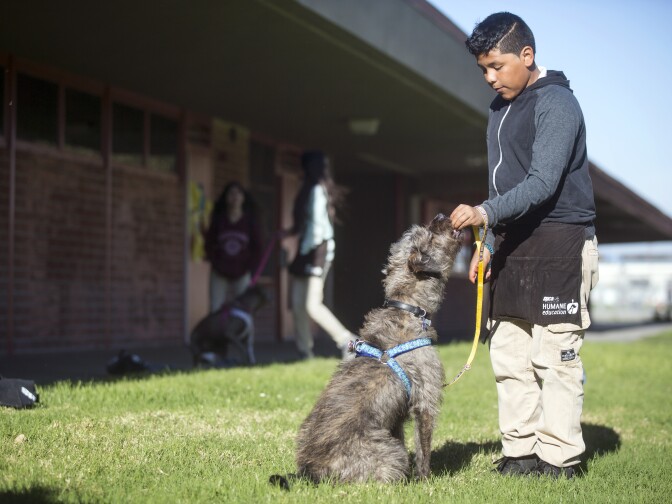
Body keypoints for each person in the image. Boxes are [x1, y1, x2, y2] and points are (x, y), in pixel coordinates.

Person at [450, 12, 599, 479]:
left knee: (554, 358)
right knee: (510, 356)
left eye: (497, 66)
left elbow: (542, 182)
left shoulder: (557, 103)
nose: (490, 78)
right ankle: (520, 454)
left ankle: (560, 459)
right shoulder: (498, 111)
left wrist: (485, 215)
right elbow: (500, 188)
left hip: (561, 241)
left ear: (527, 56)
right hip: (513, 245)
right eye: (483, 70)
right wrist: (488, 244)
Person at [281, 151, 356, 360]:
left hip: (317, 252)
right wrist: (288, 233)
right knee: (297, 304)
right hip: (306, 252)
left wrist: (307, 252)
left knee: (312, 305)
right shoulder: (306, 190)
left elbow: (317, 229)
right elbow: (303, 224)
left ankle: (348, 341)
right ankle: (304, 351)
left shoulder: (316, 190)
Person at [204, 181, 263, 312]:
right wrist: (215, 260)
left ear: (243, 197)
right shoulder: (219, 220)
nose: (235, 196)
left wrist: (249, 267)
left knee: (244, 309)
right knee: (215, 308)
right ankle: (216, 333)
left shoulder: (250, 222)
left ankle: (245, 333)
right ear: (225, 198)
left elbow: (257, 247)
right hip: (219, 271)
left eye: (238, 193)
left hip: (242, 272)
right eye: (231, 193)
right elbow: (209, 242)